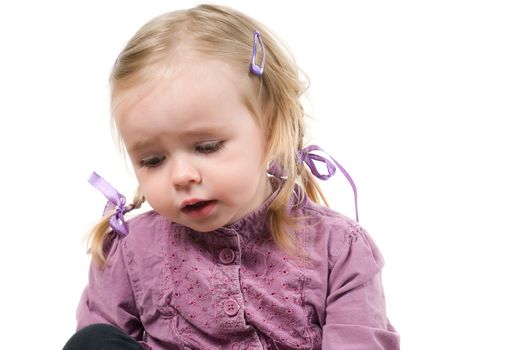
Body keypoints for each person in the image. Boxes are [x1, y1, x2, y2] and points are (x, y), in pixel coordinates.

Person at [64, 4, 399, 350]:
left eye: (207, 147)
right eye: (153, 160)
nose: (181, 176)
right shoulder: (130, 251)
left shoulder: (338, 248)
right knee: (92, 342)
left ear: (270, 130)